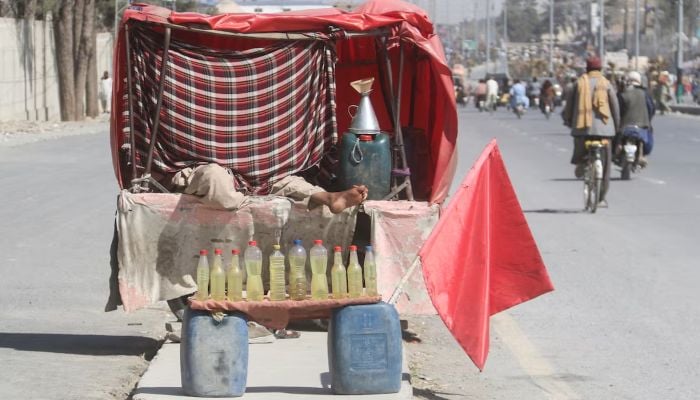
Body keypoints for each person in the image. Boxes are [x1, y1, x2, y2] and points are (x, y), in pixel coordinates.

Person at [168, 163, 368, 214]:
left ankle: (329, 197)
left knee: (290, 182)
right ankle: (248, 205)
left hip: (262, 174)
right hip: (215, 168)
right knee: (214, 178)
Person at [561, 56, 620, 205]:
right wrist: (616, 127)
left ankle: (581, 162)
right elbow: (615, 108)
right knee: (606, 165)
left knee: (579, 147)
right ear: (600, 69)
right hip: (605, 131)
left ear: (586, 69)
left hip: (582, 129)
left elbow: (569, 107)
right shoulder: (606, 84)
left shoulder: (578, 83)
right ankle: (601, 197)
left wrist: (568, 120)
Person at [617, 71, 655, 167]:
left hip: (624, 126)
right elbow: (651, 109)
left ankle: (618, 150)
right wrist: (648, 120)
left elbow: (618, 110)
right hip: (642, 125)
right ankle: (641, 156)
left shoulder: (623, 93)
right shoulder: (645, 94)